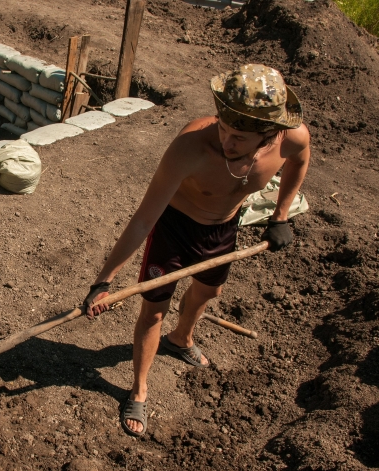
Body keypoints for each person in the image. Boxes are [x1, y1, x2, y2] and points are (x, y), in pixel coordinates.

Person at [84, 64, 310, 437]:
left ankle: (182, 338)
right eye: (223, 128)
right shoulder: (191, 147)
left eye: (238, 136)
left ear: (270, 133)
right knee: (154, 310)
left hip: (223, 228)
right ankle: (139, 389)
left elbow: (299, 163)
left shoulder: (293, 138)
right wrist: (104, 280)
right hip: (174, 227)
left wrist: (280, 216)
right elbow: (143, 219)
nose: (225, 141)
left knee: (210, 291)